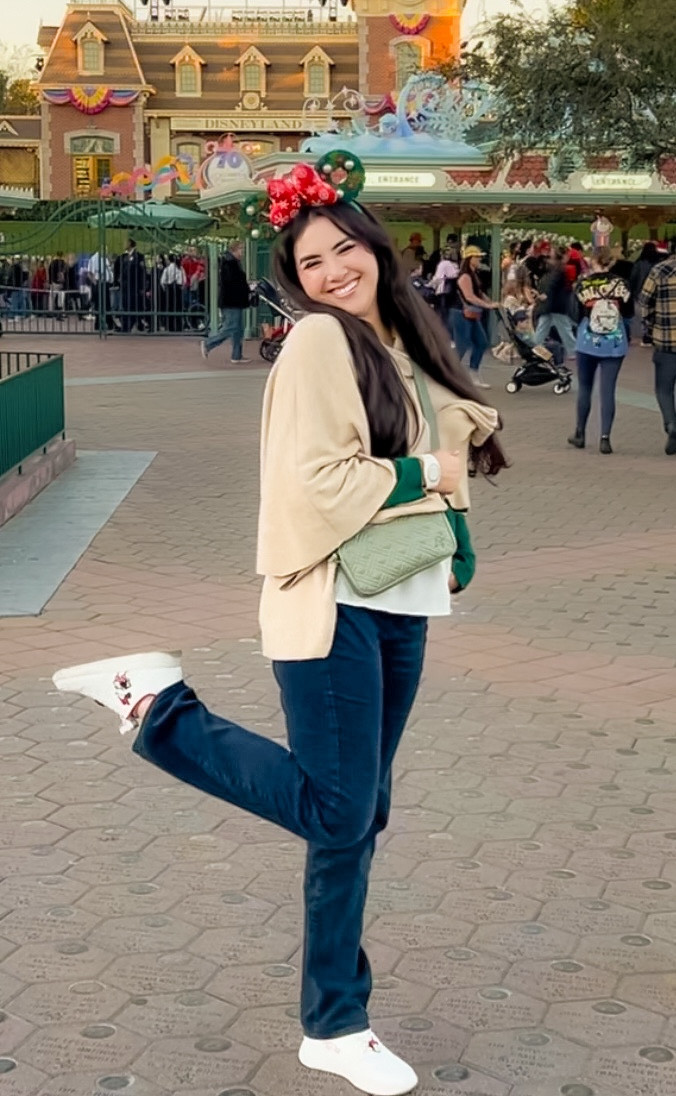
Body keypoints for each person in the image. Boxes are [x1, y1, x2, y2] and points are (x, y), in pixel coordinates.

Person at [52, 165, 507, 1096]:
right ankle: (159, 708)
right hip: (334, 600)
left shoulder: (393, 338)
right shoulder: (317, 346)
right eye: (313, 260)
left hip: (399, 604)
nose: (336, 269)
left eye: (346, 248)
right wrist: (430, 477)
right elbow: (318, 487)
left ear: (375, 247)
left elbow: (438, 440)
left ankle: (333, 1026)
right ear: (295, 278)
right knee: (341, 809)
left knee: (357, 820)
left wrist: (450, 488)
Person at [568, 246, 632, 454]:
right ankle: (605, 437)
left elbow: (574, 312)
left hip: (587, 339)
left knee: (585, 387)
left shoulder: (583, 283)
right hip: (614, 340)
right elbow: (629, 312)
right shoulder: (622, 283)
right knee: (608, 390)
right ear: (611, 262)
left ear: (593, 260)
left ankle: (580, 432)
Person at [640, 235, 676, 455]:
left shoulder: (659, 270)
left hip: (665, 341)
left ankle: (671, 424)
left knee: (663, 388)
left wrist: (651, 324)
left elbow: (644, 301)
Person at [451, 245, 499, 388]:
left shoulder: (473, 274)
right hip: (461, 313)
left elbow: (479, 292)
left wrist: (490, 301)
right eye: (476, 257)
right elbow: (469, 296)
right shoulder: (465, 276)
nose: (479, 259)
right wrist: (487, 305)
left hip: (472, 313)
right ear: (469, 258)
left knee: (481, 342)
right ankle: (449, 373)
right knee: (462, 345)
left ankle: (473, 373)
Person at [201, 240, 250, 363]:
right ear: (234, 250)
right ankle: (208, 344)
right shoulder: (229, 263)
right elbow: (232, 282)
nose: (242, 252)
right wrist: (244, 287)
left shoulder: (233, 262)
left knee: (238, 329)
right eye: (240, 249)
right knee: (231, 327)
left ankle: (236, 355)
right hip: (231, 301)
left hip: (234, 300)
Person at [533, 246, 577, 357]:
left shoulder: (551, 268)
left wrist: (544, 294)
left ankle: (534, 348)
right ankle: (573, 351)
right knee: (564, 328)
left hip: (549, 303)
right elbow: (553, 284)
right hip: (557, 304)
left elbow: (548, 283)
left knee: (543, 327)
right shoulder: (561, 269)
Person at [631, 242, 660, 347]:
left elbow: (633, 278)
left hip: (640, 292)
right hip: (656, 292)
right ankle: (654, 334)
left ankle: (646, 336)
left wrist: (632, 290)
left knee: (643, 315)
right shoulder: (658, 264)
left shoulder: (639, 263)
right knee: (656, 314)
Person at [119, 239, 147, 333]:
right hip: (125, 286)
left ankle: (131, 325)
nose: (124, 244)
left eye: (125, 242)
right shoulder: (123, 256)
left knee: (133, 305)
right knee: (125, 305)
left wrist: (143, 287)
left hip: (135, 286)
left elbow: (142, 273)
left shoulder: (139, 256)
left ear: (130, 243)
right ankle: (126, 326)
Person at [160, 253, 186, 331]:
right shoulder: (180, 268)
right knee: (178, 308)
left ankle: (170, 326)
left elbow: (162, 281)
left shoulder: (167, 269)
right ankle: (179, 326)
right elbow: (184, 280)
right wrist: (182, 287)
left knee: (170, 308)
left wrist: (165, 289)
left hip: (169, 289)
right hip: (178, 289)